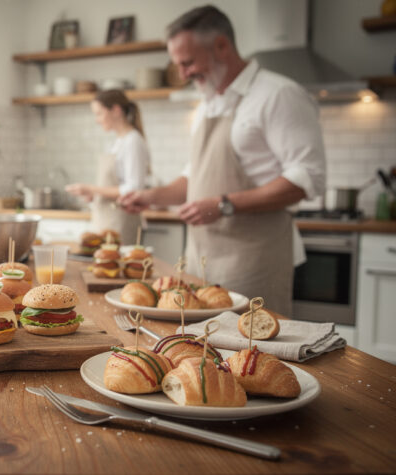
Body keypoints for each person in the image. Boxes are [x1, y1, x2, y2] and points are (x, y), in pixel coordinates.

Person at [120, 5, 326, 316]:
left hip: (254, 261)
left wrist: (223, 204)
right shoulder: (208, 103)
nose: (184, 73)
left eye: (188, 62)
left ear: (221, 45)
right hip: (200, 259)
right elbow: (195, 175)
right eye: (178, 64)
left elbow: (307, 178)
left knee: (250, 356)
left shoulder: (279, 95)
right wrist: (150, 197)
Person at [66, 89, 150, 243]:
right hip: (105, 221)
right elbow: (114, 184)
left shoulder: (133, 141)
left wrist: (92, 189)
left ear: (116, 111)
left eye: (99, 113)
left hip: (122, 223)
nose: (97, 119)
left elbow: (133, 189)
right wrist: (95, 194)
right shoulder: (117, 142)